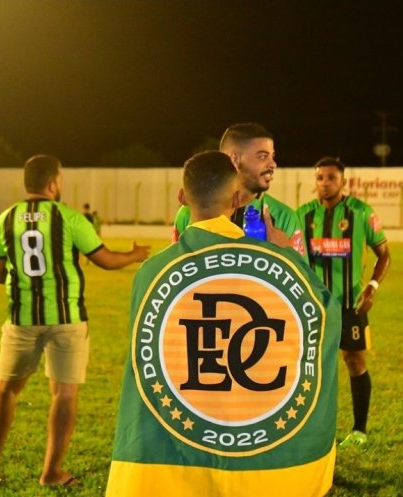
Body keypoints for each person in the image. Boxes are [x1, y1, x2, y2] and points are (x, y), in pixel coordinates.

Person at [107, 151, 340, 497]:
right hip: (265, 472)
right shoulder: (277, 264)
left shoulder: (151, 273)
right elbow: (324, 312)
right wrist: (286, 253)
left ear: (183, 198)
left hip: (173, 465)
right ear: (235, 199)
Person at [0, 154, 150, 487]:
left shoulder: (6, 219)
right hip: (68, 319)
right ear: (53, 182)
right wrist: (135, 254)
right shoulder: (71, 218)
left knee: (5, 391)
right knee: (64, 394)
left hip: (21, 318)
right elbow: (105, 260)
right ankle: (51, 472)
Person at [297, 156, 391, 448]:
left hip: (351, 304)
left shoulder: (361, 213)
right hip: (313, 306)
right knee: (311, 366)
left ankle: (359, 430)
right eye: (320, 178)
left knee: (354, 360)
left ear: (343, 181)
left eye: (331, 178)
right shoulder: (303, 215)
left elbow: (384, 254)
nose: (325, 183)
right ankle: (312, 430)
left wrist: (372, 287)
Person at [172, 123, 306, 261]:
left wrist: (286, 255)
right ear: (234, 159)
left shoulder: (284, 217)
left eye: (272, 156)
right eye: (262, 156)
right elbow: (175, 269)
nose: (273, 164)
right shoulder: (189, 213)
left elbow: (304, 279)